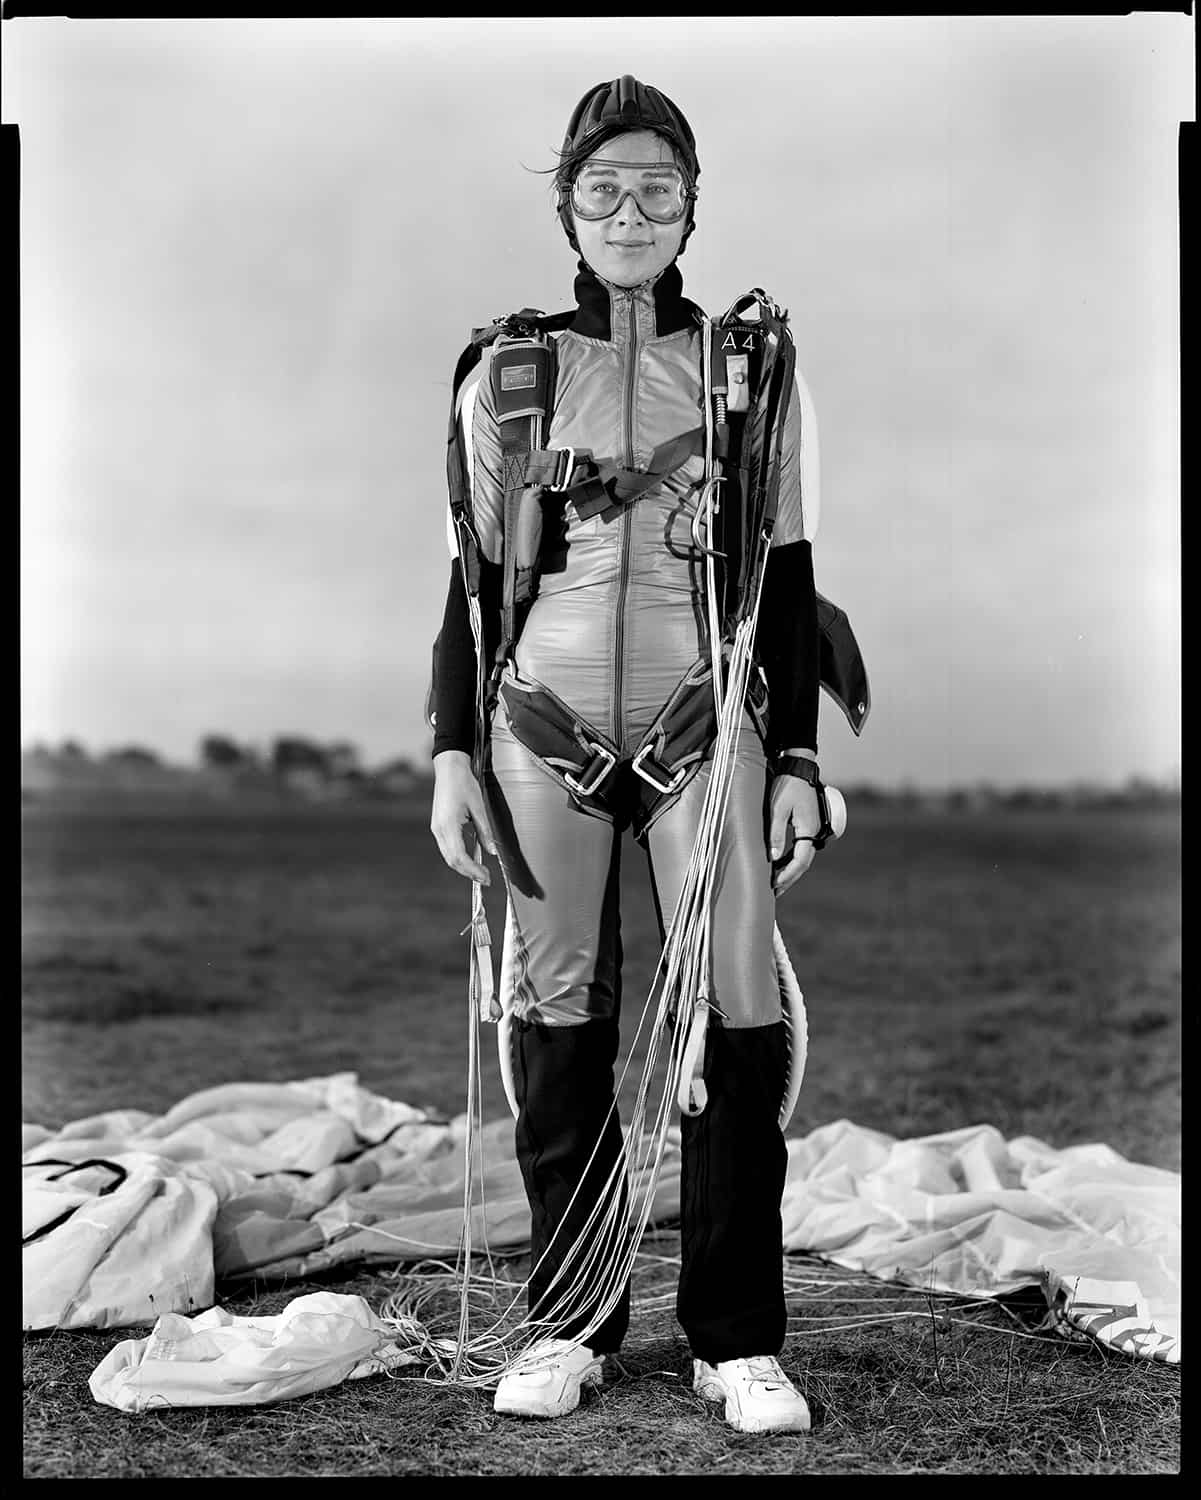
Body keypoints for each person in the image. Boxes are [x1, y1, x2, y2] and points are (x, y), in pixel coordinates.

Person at [430, 75, 826, 1435]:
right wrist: (447, 756)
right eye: (604, 188)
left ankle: (736, 1337)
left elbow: (788, 570)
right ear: (567, 206)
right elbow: (472, 585)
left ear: (692, 203)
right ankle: (568, 1321)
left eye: (659, 187)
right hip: (538, 729)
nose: (632, 210)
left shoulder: (751, 369)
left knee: (736, 1009)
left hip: (708, 720)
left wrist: (801, 761)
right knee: (554, 1015)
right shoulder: (510, 371)